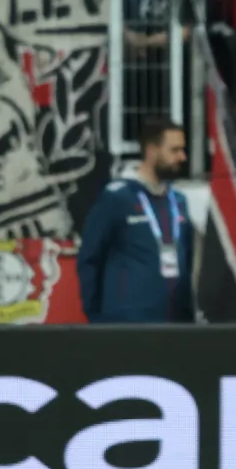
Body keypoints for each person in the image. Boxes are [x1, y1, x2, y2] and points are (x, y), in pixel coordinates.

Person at [77, 118, 194, 323]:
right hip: (127, 323)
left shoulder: (179, 201)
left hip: (174, 322)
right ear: (152, 150)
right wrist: (96, 316)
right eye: (174, 150)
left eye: (182, 150)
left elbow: (188, 257)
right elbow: (90, 258)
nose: (182, 157)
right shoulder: (117, 197)